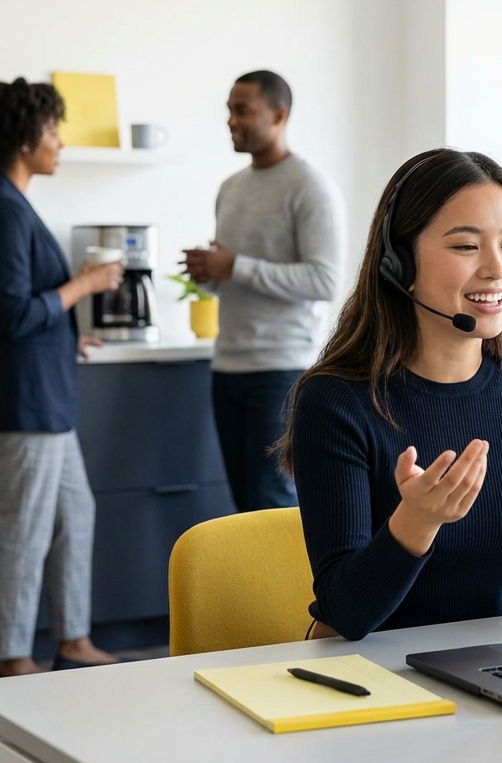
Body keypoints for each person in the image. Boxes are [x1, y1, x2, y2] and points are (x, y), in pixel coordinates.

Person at [275, 148, 502, 641]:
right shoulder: (336, 401)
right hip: (366, 676)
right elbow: (346, 612)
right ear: (400, 264)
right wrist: (416, 523)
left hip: (483, 665)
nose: (495, 269)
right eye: (466, 247)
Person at [0, 78, 123, 676]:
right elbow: (12, 314)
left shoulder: (10, 203)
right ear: (23, 138)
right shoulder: (2, 209)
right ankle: (13, 656)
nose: (59, 143)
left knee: (75, 514)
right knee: (22, 531)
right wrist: (85, 285)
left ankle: (73, 641)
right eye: (52, 131)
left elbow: (23, 310)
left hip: (44, 399)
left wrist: (66, 335)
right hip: (24, 404)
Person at [183, 70, 343, 513]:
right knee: (243, 508)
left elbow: (323, 281)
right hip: (227, 365)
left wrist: (234, 265)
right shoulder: (230, 189)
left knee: (272, 506)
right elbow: (238, 277)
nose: (231, 121)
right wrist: (211, 273)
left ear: (279, 115)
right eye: (229, 111)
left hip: (281, 370)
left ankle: (288, 587)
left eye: (242, 110)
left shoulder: (310, 187)